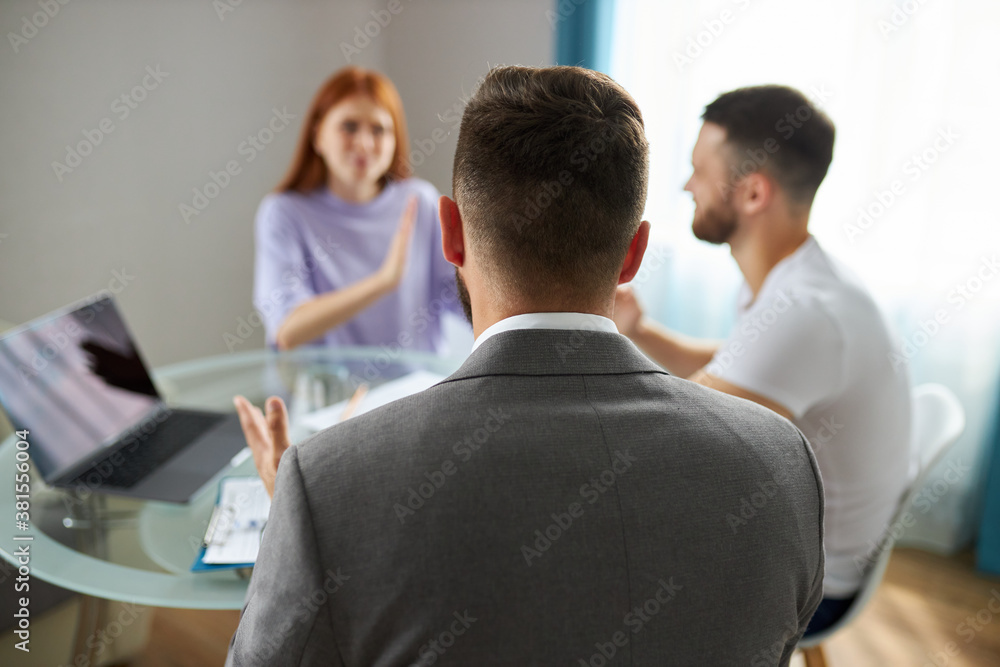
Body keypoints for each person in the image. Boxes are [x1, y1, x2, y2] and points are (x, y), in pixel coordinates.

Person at [226, 67, 824, 666]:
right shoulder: (782, 460)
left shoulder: (325, 484)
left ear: (451, 236)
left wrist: (303, 531)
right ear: (633, 255)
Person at [613, 85, 912, 635]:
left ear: (753, 193)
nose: (686, 186)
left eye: (699, 171)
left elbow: (674, 435)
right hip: (823, 545)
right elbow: (736, 364)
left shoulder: (804, 314)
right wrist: (639, 331)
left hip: (815, 588)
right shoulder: (803, 278)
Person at [253, 66, 462, 352]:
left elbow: (462, 302)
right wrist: (383, 281)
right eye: (349, 127)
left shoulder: (420, 202)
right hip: (324, 382)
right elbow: (287, 331)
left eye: (379, 130)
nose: (364, 143)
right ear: (318, 135)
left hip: (421, 380)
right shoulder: (285, 213)